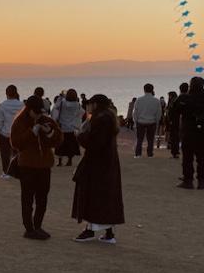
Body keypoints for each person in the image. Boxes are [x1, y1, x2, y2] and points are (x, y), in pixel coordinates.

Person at [72, 94, 125, 243]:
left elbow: (95, 143)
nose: (87, 106)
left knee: (93, 196)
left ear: (96, 105)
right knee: (105, 198)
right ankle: (108, 232)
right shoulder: (108, 118)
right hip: (106, 164)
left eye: (90, 104)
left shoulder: (101, 120)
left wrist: (80, 136)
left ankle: (90, 231)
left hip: (97, 164)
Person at [11, 96, 63, 239]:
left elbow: (58, 140)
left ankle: (38, 225)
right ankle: (29, 228)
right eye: (36, 112)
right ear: (29, 110)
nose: (39, 115)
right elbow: (15, 143)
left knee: (42, 198)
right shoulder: (20, 122)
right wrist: (31, 132)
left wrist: (49, 133)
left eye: (41, 112)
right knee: (27, 199)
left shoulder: (48, 121)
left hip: (44, 166)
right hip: (27, 166)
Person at [176, 76, 204, 189]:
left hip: (189, 129)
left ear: (190, 85)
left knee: (187, 157)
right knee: (202, 157)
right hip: (203, 131)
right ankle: (202, 181)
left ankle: (188, 180)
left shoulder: (184, 98)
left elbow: (174, 112)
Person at [0, 85, 25, 178]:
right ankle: (18, 171)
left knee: (5, 154)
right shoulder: (22, 106)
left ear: (6, 93)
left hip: (4, 133)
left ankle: (6, 172)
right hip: (18, 133)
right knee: (18, 153)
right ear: (16, 93)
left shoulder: (1, 106)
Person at [51, 89, 82, 167]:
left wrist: (60, 97)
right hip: (71, 127)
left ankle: (60, 161)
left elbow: (56, 107)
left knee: (60, 144)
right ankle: (69, 160)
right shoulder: (77, 104)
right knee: (70, 144)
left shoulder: (62, 102)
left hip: (62, 126)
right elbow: (81, 113)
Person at [132, 83, 163, 158]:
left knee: (139, 139)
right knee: (150, 139)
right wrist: (156, 121)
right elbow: (159, 113)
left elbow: (135, 112)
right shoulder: (156, 101)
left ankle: (138, 154)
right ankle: (150, 154)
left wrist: (136, 121)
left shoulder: (139, 100)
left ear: (144, 90)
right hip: (152, 121)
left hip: (141, 121)